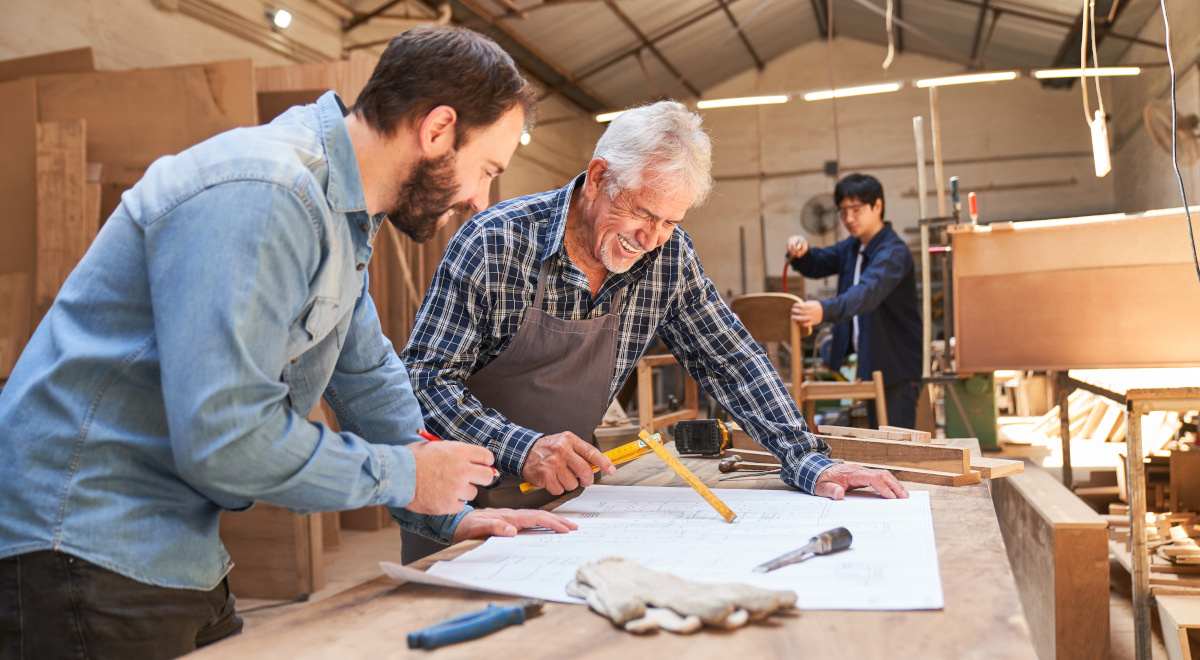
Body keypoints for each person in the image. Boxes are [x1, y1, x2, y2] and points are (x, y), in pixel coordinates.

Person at [0, 26, 576, 659]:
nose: (478, 200)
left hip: (174, 547)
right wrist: (404, 474)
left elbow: (367, 377)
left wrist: (448, 510)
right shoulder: (267, 193)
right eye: (486, 170)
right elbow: (227, 437)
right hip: (78, 543)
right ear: (437, 130)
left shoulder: (341, 214)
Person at [400, 102, 907, 559]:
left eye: (669, 220)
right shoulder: (496, 242)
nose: (651, 238)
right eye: (642, 213)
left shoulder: (668, 254)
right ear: (597, 179)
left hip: (564, 505)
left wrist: (805, 458)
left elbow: (731, 360)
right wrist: (523, 448)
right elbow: (425, 381)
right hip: (457, 503)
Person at [785, 173, 923, 429]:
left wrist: (824, 310)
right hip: (872, 364)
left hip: (897, 366)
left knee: (897, 447)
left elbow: (865, 295)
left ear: (877, 206)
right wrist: (801, 252)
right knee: (878, 441)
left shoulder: (893, 252)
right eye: (843, 212)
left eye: (857, 210)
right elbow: (819, 262)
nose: (849, 219)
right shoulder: (852, 247)